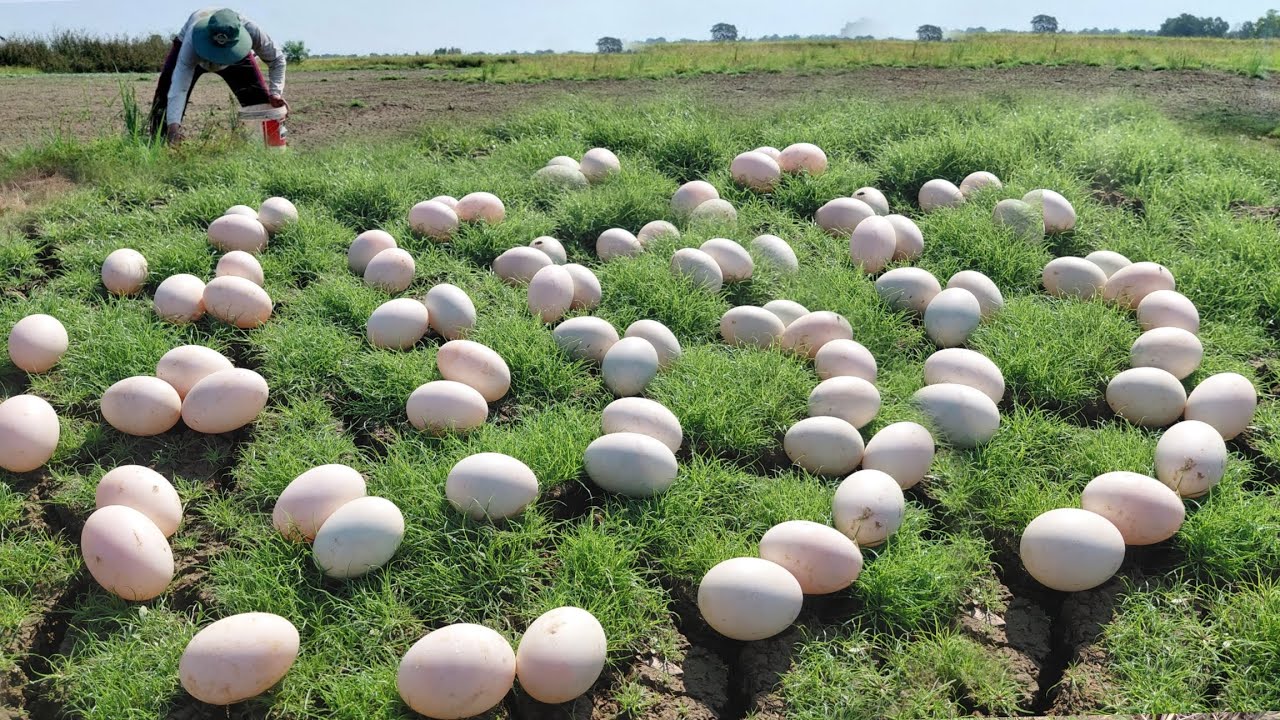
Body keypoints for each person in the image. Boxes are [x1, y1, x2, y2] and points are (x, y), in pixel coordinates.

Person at [148, 7, 287, 144]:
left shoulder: (252, 31)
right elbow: (179, 87)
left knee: (261, 102)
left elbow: (277, 60)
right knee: (166, 96)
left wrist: (275, 93)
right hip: (196, 51)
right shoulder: (192, 40)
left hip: (235, 56)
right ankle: (162, 143)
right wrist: (172, 129)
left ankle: (268, 146)